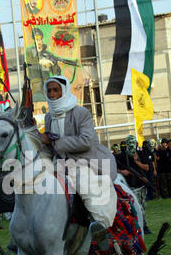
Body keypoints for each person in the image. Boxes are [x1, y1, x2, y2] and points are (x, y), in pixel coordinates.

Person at [41, 75, 117, 240]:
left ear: (64, 90)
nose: (52, 93)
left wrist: (54, 143)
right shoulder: (48, 117)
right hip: (60, 164)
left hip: (86, 161)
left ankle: (100, 223)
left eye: (56, 90)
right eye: (49, 90)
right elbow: (49, 145)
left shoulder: (80, 112)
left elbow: (86, 142)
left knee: (83, 182)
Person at [115, 135, 151, 234]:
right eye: (129, 143)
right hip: (129, 187)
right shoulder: (121, 156)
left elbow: (147, 167)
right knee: (134, 208)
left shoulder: (141, 154)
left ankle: (143, 225)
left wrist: (136, 162)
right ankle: (139, 226)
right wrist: (123, 172)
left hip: (141, 185)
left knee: (142, 207)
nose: (131, 145)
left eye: (133, 143)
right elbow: (114, 168)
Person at [26, 28, 62, 102]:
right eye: (36, 39)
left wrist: (54, 64)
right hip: (36, 85)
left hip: (47, 85)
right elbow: (29, 62)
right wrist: (41, 61)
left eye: (40, 39)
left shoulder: (48, 54)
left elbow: (55, 72)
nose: (38, 42)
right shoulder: (30, 52)